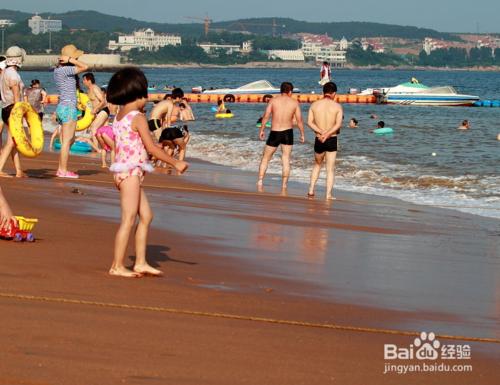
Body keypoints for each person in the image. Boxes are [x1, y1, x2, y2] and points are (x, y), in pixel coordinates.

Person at [106, 67, 188, 278]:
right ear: (137, 95)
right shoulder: (138, 118)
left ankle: (140, 262)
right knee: (128, 219)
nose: (147, 100)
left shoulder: (118, 116)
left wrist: (146, 155)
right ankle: (117, 265)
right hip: (130, 174)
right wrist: (175, 163)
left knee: (146, 216)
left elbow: (125, 145)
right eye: (145, 95)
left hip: (125, 172)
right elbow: (151, 147)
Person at [257, 81, 305, 190]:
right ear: (290, 91)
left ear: (281, 90)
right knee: (286, 158)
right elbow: (299, 120)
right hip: (288, 132)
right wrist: (302, 133)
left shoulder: (273, 101)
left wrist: (262, 130)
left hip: (275, 132)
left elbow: (266, 116)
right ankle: (284, 185)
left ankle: (260, 180)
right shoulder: (294, 102)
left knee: (265, 158)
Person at [53, 44, 89, 178]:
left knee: (67, 141)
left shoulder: (57, 71)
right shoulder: (66, 70)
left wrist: (69, 60)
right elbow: (85, 67)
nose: (78, 58)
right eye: (76, 56)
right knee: (67, 141)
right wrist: (71, 60)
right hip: (68, 108)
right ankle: (62, 170)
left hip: (62, 107)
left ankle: (61, 169)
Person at [307, 82, 343, 200]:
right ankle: (328, 194)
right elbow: (338, 125)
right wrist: (327, 134)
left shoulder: (314, 105)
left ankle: (311, 190)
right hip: (331, 139)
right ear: (334, 93)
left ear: (323, 92)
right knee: (330, 168)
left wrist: (322, 133)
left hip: (319, 139)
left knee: (317, 164)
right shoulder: (337, 106)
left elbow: (310, 123)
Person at [0, 46, 26, 178]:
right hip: (12, 109)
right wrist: (19, 113)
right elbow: (16, 95)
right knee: (11, 141)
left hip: (5, 108)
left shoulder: (5, 72)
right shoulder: (14, 74)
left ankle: (19, 170)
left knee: (13, 141)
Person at [82, 73, 109, 145]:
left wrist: (96, 109)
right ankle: (104, 146)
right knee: (101, 130)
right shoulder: (88, 90)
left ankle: (96, 148)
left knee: (94, 128)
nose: (83, 82)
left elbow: (103, 101)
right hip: (97, 112)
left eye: (84, 80)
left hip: (103, 110)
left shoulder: (95, 88)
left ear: (89, 80)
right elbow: (90, 103)